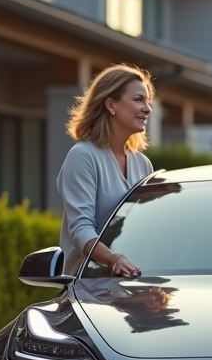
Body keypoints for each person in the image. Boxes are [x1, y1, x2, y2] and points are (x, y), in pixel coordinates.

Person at [57, 64, 155, 277]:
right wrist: (113, 258)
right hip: (88, 285)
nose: (148, 108)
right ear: (111, 104)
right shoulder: (82, 156)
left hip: (135, 282)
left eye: (148, 101)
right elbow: (81, 230)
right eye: (139, 100)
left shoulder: (143, 164)